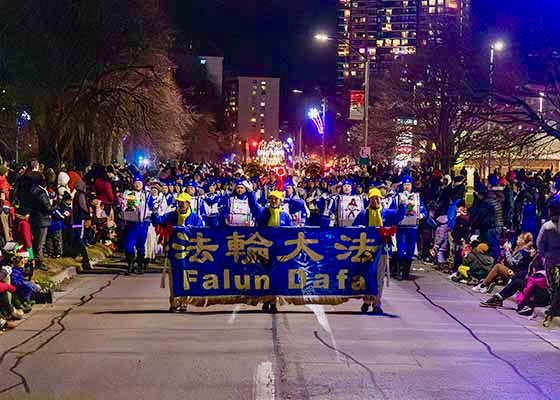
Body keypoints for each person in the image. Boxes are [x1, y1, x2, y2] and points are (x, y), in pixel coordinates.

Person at [353, 188, 405, 313]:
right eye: (373, 198)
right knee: (367, 276)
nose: (375, 200)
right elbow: (354, 228)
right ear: (369, 200)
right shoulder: (363, 214)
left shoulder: (387, 213)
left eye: (377, 198)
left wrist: (403, 205)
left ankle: (377, 304)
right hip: (366, 250)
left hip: (382, 250)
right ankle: (366, 300)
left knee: (379, 277)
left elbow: (399, 216)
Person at [152, 192, 203, 312]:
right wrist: (154, 212)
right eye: (179, 202)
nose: (180, 204)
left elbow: (201, 232)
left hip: (189, 254)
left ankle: (184, 302)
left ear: (188, 203)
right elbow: (158, 222)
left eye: (183, 202)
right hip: (173, 253)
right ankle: (174, 303)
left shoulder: (195, 217)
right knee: (174, 279)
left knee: (187, 279)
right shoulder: (171, 215)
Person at [391, 176, 426, 280]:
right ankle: (400, 270)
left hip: (412, 227)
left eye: (409, 185)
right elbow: (391, 211)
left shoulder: (416, 197)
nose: (407, 187)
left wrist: (421, 215)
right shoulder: (397, 197)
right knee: (401, 248)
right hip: (401, 227)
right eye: (405, 185)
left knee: (410, 249)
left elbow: (424, 211)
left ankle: (406, 271)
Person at [536, 196, 560, 328]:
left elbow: (539, 243)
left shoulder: (547, 226)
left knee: (552, 285)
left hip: (551, 258)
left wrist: (542, 255)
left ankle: (553, 307)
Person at [121, 176, 151, 275]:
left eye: (139, 182)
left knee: (141, 246)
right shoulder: (129, 194)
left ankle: (140, 265)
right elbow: (124, 207)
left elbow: (151, 207)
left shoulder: (147, 195)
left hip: (142, 224)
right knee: (129, 245)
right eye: (136, 182)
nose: (137, 184)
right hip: (131, 223)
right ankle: (130, 265)